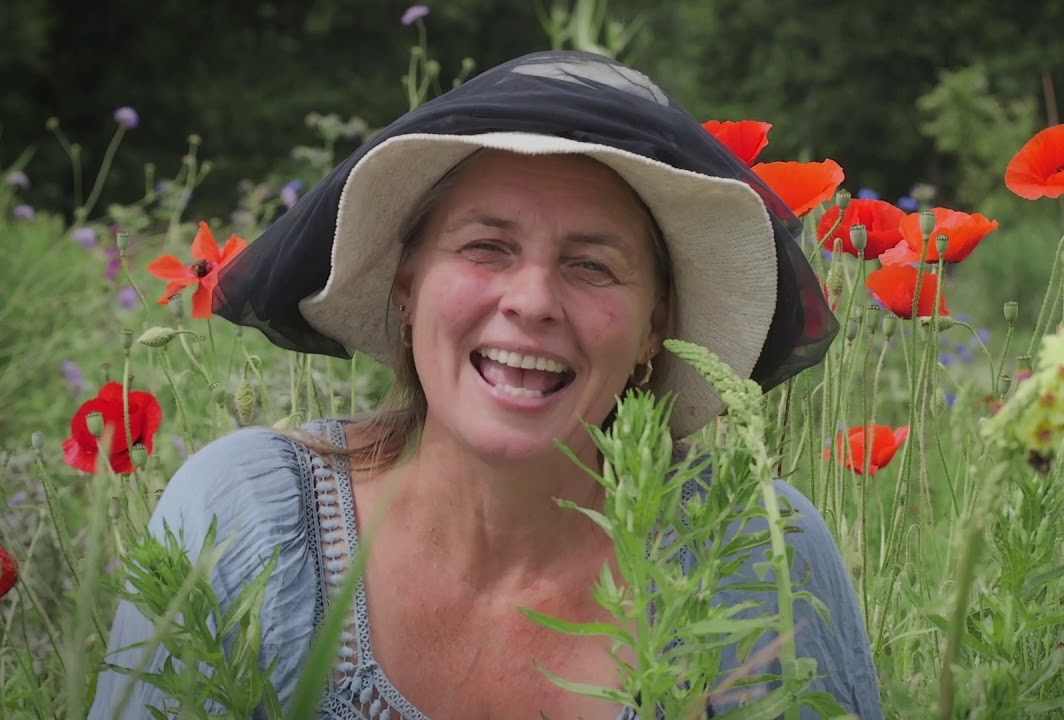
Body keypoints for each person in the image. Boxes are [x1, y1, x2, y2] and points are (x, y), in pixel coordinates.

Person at [89, 51, 883, 720]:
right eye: (486, 247)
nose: (532, 300)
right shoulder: (245, 523)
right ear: (406, 286)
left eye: (591, 265)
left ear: (653, 328)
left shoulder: (755, 554)